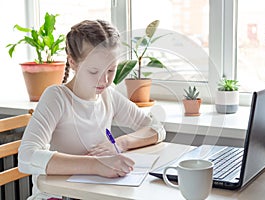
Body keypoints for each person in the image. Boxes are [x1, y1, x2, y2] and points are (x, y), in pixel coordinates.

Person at [18, 19, 166, 199]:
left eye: (111, 71)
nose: (103, 81)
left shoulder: (108, 96)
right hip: (56, 195)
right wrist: (96, 164)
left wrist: (119, 144)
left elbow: (156, 129)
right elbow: (26, 157)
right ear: (72, 62)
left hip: (94, 193)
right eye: (93, 72)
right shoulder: (57, 97)